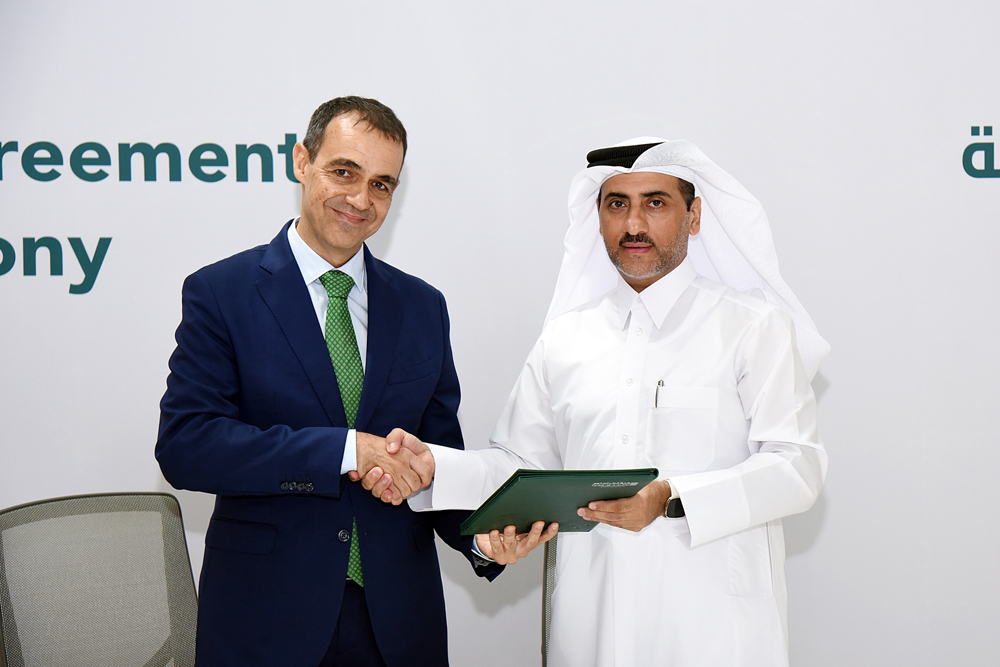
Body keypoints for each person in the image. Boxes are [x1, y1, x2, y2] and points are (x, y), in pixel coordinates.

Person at [365, 138, 830, 666]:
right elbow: (521, 468)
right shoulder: (565, 339)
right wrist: (435, 467)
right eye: (617, 204)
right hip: (590, 626)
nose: (634, 224)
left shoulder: (753, 327)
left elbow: (798, 466)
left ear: (695, 216)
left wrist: (671, 496)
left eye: (655, 203)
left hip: (714, 631)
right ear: (599, 216)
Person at [155, 96, 508, 667]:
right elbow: (187, 446)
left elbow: (434, 459)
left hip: (397, 626)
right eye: (344, 172)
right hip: (266, 621)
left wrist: (480, 539)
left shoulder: (423, 306)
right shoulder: (221, 292)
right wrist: (346, 450)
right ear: (302, 161)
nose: (361, 199)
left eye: (381, 184)